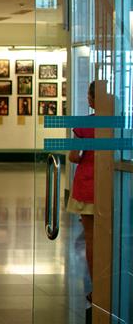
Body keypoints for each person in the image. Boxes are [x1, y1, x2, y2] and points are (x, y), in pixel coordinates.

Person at [67, 81, 96, 300]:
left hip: (87, 184)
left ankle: (98, 287)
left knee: (91, 238)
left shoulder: (83, 125)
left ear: (93, 99)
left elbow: (73, 155)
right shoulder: (120, 124)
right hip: (114, 184)